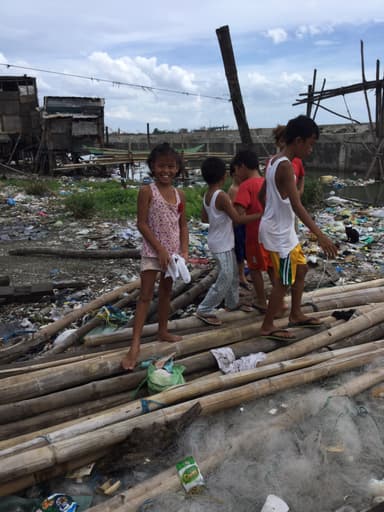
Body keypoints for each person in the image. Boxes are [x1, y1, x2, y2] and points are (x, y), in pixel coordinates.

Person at [259, 115, 338, 341]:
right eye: (311, 144)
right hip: (279, 235)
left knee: (301, 270)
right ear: (299, 140)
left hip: (282, 230)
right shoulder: (284, 166)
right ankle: (267, 326)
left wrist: (272, 211)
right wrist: (321, 236)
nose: (311, 150)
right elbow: (297, 205)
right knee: (284, 281)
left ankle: (295, 313)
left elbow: (262, 195)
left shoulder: (274, 160)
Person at [121, 143, 189, 370]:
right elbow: (141, 224)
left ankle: (163, 331)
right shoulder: (147, 191)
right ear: (152, 166)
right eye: (161, 166)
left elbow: (182, 224)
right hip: (152, 252)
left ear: (177, 168)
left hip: (172, 255)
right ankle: (135, 344)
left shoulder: (180, 194)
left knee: (167, 293)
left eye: (171, 166)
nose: (166, 171)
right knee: (145, 296)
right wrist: (159, 249)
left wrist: (184, 250)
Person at [195, 156, 261, 326]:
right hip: (221, 244)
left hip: (220, 241)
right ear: (223, 176)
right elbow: (237, 219)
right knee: (225, 276)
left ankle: (232, 302)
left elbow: (205, 217)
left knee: (232, 274)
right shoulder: (222, 195)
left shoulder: (207, 195)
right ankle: (204, 308)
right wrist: (260, 215)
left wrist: (221, 217)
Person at [233, 149, 274, 313]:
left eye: (236, 169)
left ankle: (262, 300)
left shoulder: (246, 186)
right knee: (271, 267)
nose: (236, 174)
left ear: (242, 166)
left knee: (255, 270)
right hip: (271, 235)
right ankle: (279, 300)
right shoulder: (267, 182)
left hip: (254, 235)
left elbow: (238, 217)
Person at [228, 161, 250, 290]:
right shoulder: (233, 189)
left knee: (245, 250)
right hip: (238, 224)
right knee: (240, 251)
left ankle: (244, 274)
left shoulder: (242, 188)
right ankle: (241, 276)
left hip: (244, 222)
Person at [273, 124, 305, 197]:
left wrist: (300, 191)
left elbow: (301, 176)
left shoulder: (297, 161)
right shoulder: (272, 161)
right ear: (278, 142)